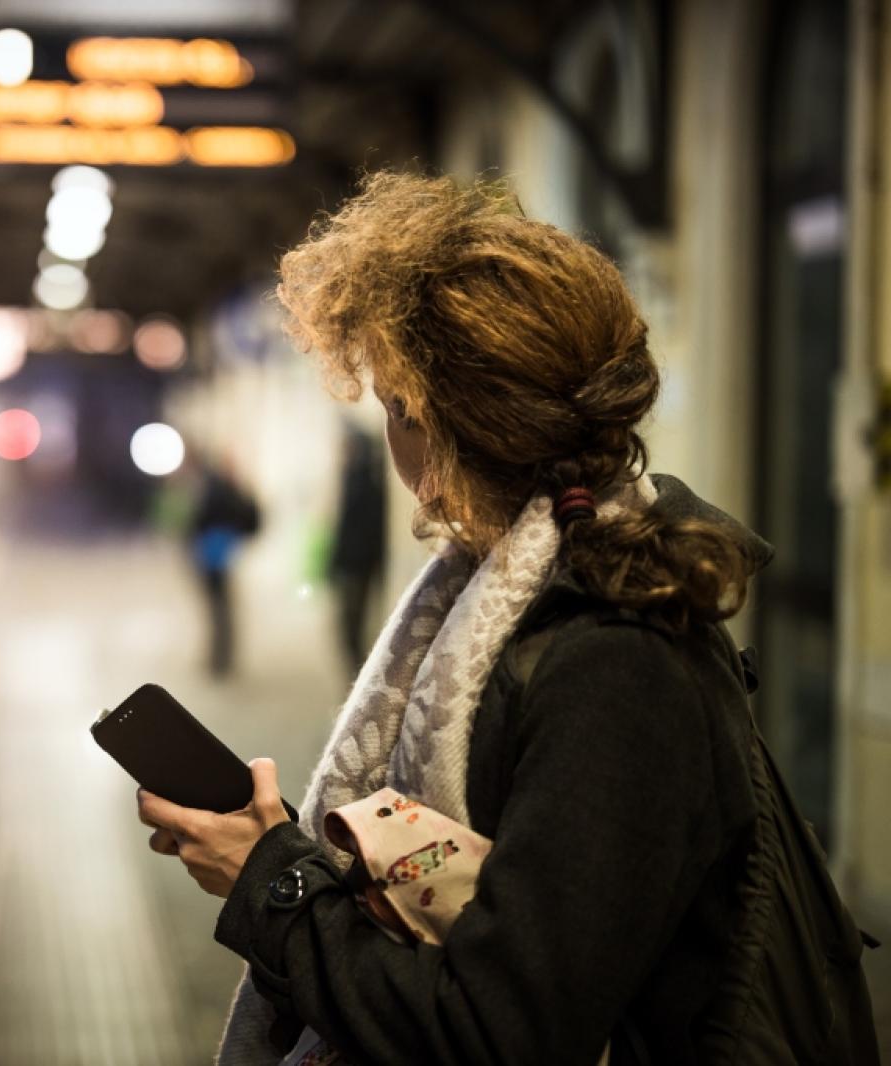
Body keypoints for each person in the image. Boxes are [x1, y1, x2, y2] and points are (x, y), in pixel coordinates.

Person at [134, 173, 877, 1064]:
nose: (393, 442)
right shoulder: (513, 607)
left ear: (442, 432)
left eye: (394, 411)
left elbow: (496, 1030)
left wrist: (272, 883)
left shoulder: (614, 666)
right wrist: (292, 854)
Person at [189, 457, 261, 677]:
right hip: (218, 553)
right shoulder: (228, 489)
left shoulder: (218, 490)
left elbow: (202, 518)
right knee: (220, 608)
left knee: (219, 609)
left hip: (213, 554)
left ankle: (220, 659)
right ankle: (221, 657)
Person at [326, 430, 385, 675]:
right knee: (350, 626)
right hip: (355, 563)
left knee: (352, 626)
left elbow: (353, 528)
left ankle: (358, 675)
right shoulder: (357, 478)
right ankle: (356, 674)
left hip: (357, 565)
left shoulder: (362, 481)